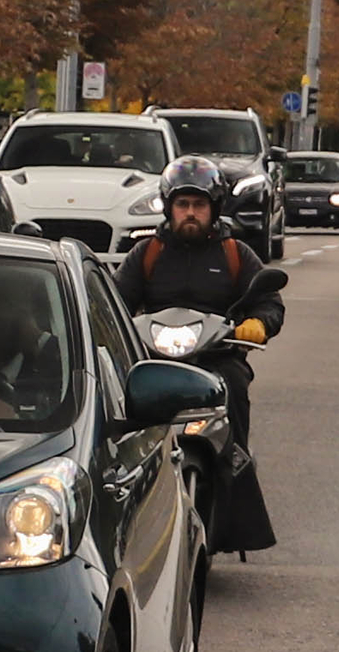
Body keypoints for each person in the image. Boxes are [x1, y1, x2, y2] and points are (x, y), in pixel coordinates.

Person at [115, 155, 286, 554]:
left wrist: (258, 323)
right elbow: (116, 303)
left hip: (216, 359)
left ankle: (234, 486)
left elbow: (270, 301)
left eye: (199, 206)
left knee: (236, 389)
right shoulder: (146, 253)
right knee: (117, 399)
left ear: (214, 208)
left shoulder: (236, 254)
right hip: (155, 360)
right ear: (168, 207)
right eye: (182, 205)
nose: (190, 214)